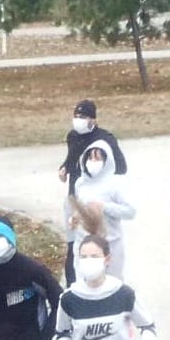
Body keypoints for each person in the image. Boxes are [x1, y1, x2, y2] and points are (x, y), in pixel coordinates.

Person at [58, 100, 128, 284]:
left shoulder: (105, 139)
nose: (78, 120)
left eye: (83, 117)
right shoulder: (72, 136)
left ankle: (107, 281)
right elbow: (71, 158)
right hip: (75, 198)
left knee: (97, 246)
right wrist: (64, 168)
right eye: (76, 116)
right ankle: (72, 286)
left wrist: (98, 173)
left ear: (93, 120)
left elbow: (121, 167)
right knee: (73, 246)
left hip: (97, 204)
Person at [68, 139, 136, 279]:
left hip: (110, 243)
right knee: (83, 281)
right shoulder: (80, 183)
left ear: (106, 161)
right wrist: (74, 219)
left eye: (97, 158)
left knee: (111, 283)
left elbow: (130, 211)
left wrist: (104, 207)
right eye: (90, 157)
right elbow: (79, 207)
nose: (93, 161)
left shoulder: (115, 184)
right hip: (83, 243)